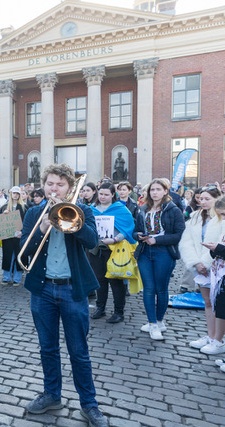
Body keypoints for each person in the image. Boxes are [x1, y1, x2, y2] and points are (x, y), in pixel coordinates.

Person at [20, 164, 108, 426]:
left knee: (78, 351)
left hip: (72, 289)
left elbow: (92, 242)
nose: (54, 189)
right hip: (43, 289)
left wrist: (72, 222)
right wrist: (42, 228)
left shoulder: (83, 210)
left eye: (60, 184)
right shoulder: (34, 212)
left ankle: (89, 404)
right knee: (48, 347)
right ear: (43, 185)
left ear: (69, 188)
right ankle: (52, 394)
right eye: (50, 183)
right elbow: (24, 250)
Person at [133, 178, 185, 340]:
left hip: (164, 252)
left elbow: (179, 234)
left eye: (158, 189)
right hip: (144, 252)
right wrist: (138, 235)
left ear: (165, 191)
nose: (154, 192)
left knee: (161, 289)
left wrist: (157, 240)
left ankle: (160, 321)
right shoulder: (143, 209)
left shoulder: (173, 210)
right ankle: (152, 323)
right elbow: (135, 230)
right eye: (152, 190)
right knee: (148, 288)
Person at [180, 186, 223, 352]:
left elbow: (219, 244)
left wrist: (206, 262)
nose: (203, 202)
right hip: (200, 266)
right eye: (201, 199)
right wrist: (196, 263)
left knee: (219, 304)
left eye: (207, 199)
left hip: (217, 266)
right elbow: (187, 241)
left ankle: (218, 339)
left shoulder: (221, 218)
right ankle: (211, 336)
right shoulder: (196, 217)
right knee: (208, 302)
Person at [88, 183, 135, 324]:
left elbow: (128, 228)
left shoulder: (120, 209)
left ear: (113, 195)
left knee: (116, 281)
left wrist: (115, 239)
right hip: (96, 249)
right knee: (100, 280)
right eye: (101, 194)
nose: (103, 197)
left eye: (106, 194)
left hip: (114, 249)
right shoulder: (92, 209)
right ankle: (100, 308)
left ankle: (118, 312)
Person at [203, 197, 225, 365]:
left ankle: (217, 339)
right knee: (219, 306)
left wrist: (218, 248)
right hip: (220, 273)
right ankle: (216, 339)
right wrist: (214, 250)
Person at [0, 186, 26, 286]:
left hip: (19, 236)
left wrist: (23, 232)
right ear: (11, 194)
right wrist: (3, 215)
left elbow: (27, 222)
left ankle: (17, 278)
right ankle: (6, 277)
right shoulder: (4, 207)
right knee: (8, 256)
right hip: (8, 236)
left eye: (17, 193)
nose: (15, 195)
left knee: (18, 256)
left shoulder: (24, 207)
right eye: (14, 193)